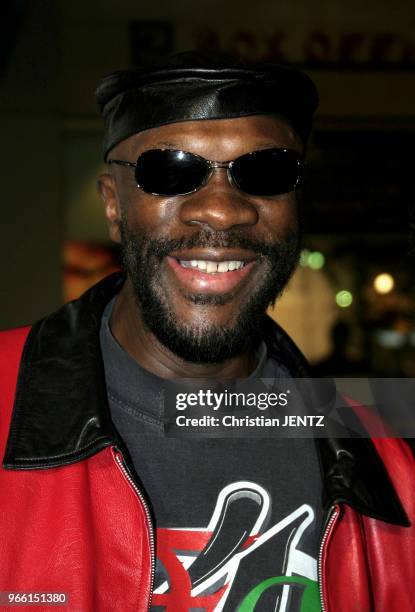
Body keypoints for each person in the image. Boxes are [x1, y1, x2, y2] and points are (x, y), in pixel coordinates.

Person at [0, 52, 414, 612]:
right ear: (113, 205)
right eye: (171, 170)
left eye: (265, 172)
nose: (221, 211)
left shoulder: (385, 464)